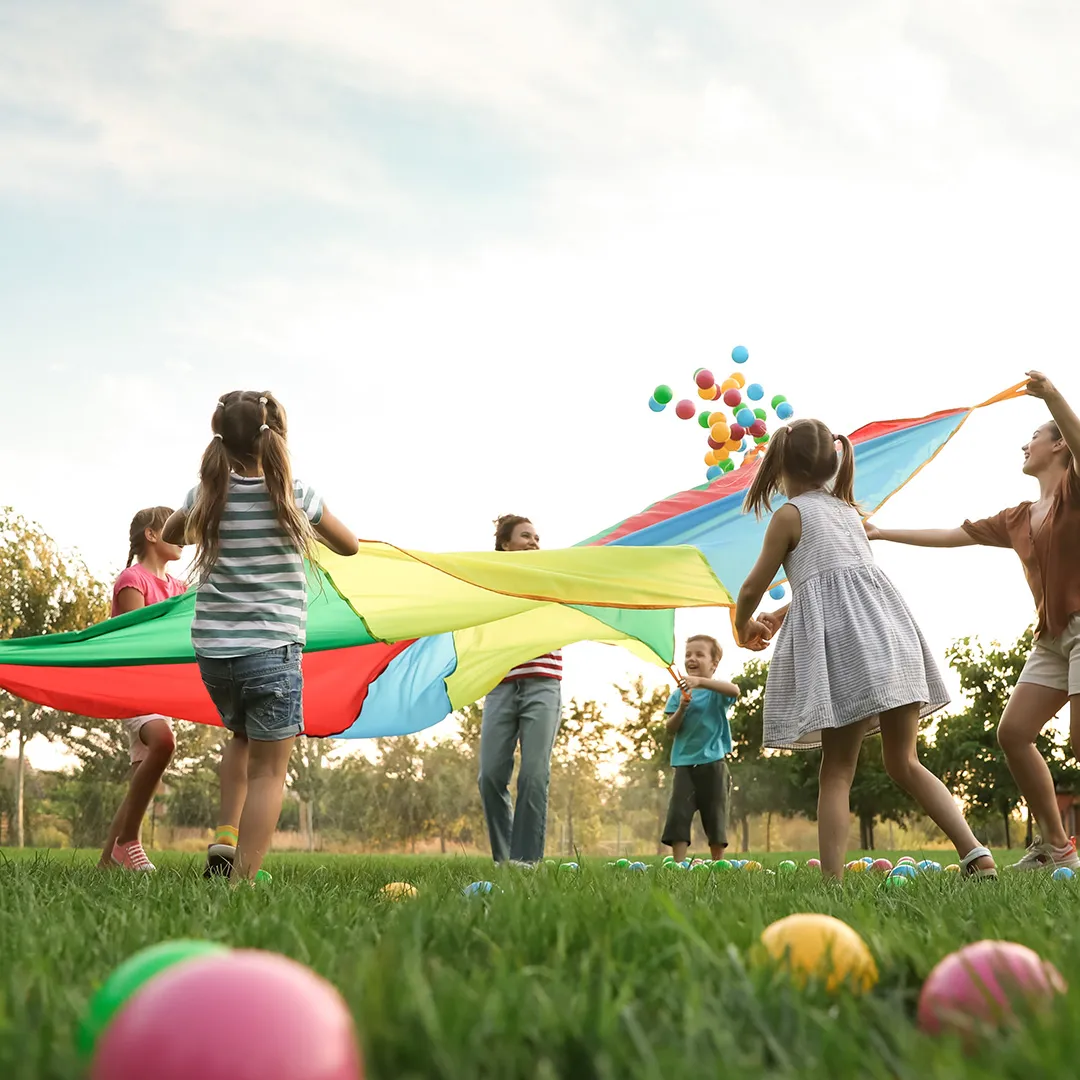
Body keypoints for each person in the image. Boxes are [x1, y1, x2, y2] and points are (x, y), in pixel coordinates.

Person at [733, 418, 997, 880]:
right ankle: (977, 854)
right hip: (892, 639)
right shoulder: (848, 513)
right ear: (833, 461)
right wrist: (785, 613)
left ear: (780, 467)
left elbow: (756, 584)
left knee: (837, 770)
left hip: (848, 654)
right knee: (906, 762)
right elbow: (839, 585)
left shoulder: (790, 515)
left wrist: (743, 624)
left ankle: (833, 885)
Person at [866, 371, 1080, 871]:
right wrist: (880, 532)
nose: (1023, 448)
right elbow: (952, 534)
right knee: (1014, 733)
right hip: (1052, 639)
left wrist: (1052, 397)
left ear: (1058, 447)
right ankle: (1057, 846)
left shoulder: (1075, 490)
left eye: (1033, 439)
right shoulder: (1018, 517)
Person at [163, 391, 358, 881]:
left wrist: (202, 506)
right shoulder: (295, 494)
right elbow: (350, 545)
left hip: (214, 654)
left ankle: (225, 838)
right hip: (272, 649)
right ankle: (242, 883)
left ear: (221, 439)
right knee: (270, 772)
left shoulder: (206, 495)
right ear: (277, 438)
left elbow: (171, 533)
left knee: (242, 736)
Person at [99, 507, 186, 871]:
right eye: (173, 528)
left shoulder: (180, 588)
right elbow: (134, 641)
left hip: (161, 693)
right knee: (164, 742)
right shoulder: (132, 580)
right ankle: (129, 841)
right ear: (152, 535)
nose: (182, 536)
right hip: (134, 688)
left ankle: (108, 862)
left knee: (140, 780)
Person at [477, 515, 562, 867]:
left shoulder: (552, 578)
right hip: (500, 686)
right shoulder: (489, 584)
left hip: (543, 684)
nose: (534, 542)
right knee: (490, 776)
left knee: (533, 773)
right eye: (525, 536)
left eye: (537, 537)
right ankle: (504, 858)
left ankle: (526, 862)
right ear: (505, 545)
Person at [662, 635, 739, 864]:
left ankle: (718, 862)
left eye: (699, 654)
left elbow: (734, 690)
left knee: (715, 815)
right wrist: (681, 710)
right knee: (679, 814)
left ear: (714, 665)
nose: (692, 659)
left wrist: (701, 683)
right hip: (685, 764)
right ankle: (678, 863)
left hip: (713, 764)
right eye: (688, 655)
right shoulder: (678, 695)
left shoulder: (716, 692)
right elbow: (670, 728)